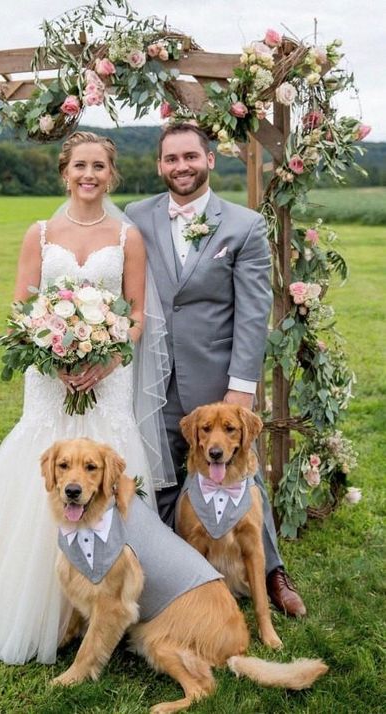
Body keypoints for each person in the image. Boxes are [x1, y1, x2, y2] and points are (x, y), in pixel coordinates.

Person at [0, 131, 169, 664]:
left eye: (99, 167)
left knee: (108, 470)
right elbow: (21, 311)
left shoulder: (127, 237)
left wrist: (106, 358)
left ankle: (114, 597)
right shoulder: (39, 234)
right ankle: (34, 603)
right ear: (64, 171)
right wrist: (52, 353)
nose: (89, 175)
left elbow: (136, 315)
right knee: (43, 470)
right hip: (49, 382)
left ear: (110, 175)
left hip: (107, 378)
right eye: (79, 166)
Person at [125, 122, 307, 618]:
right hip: (154, 379)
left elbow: (252, 312)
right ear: (159, 164)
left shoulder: (243, 225)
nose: (180, 167)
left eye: (190, 157)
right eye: (170, 158)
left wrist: (241, 388)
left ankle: (270, 572)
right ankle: (173, 581)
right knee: (160, 476)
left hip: (219, 384)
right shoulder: (136, 216)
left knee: (242, 478)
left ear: (210, 159)